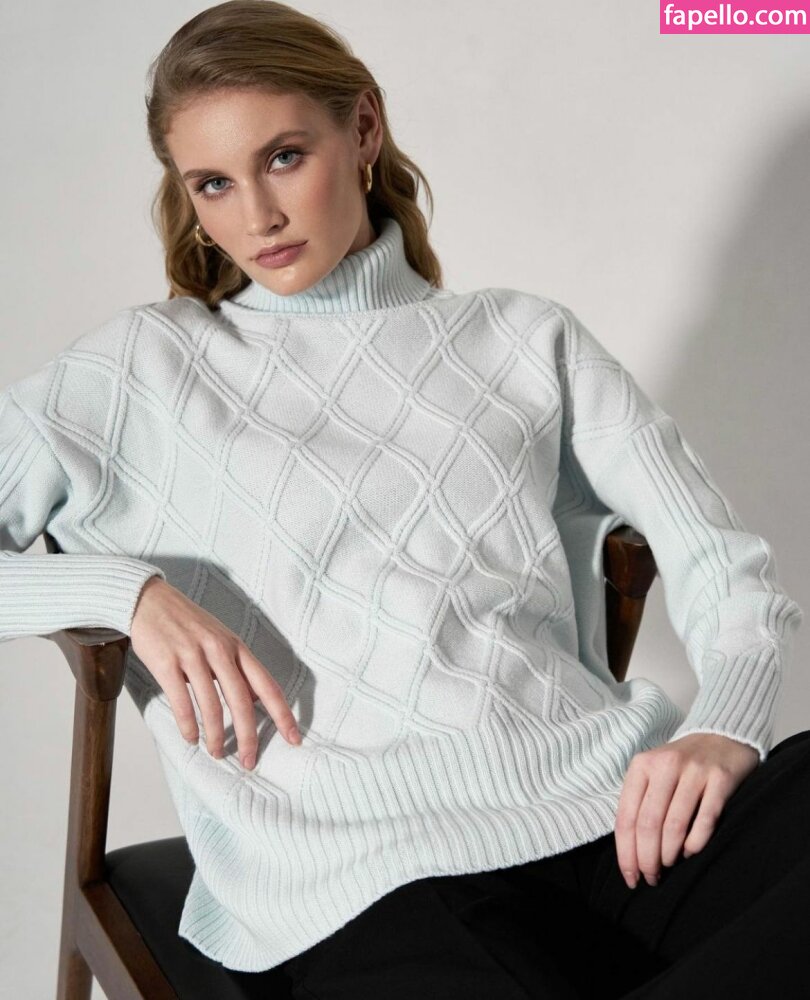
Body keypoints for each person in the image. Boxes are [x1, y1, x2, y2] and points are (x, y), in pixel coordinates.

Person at [0, 1, 806, 997]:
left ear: (364, 128)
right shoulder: (139, 370)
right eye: (213, 183)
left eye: (284, 157)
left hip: (612, 811)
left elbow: (726, 564)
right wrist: (127, 593)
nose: (257, 217)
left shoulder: (527, 340)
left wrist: (722, 724)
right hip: (360, 870)